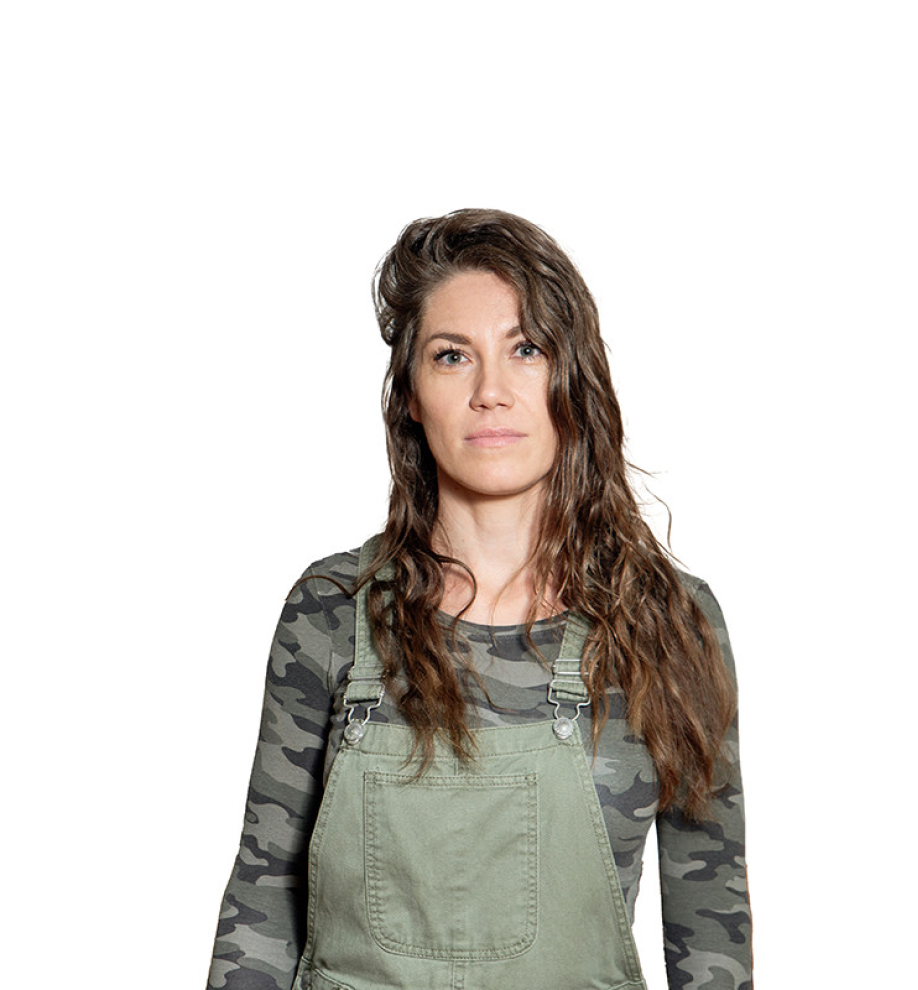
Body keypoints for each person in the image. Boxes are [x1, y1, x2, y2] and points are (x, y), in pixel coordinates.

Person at [207, 208, 753, 990]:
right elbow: (264, 896)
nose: (490, 392)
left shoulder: (669, 623)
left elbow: (711, 929)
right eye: (452, 355)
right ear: (411, 394)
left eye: (526, 349)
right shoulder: (330, 612)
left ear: (573, 380)